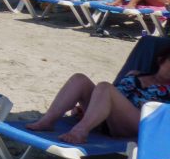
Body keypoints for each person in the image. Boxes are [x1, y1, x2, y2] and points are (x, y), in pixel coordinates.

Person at [25, 49, 170, 144]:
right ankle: (48, 121)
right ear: (161, 60)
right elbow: (114, 95)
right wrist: (89, 106)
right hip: (108, 118)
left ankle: (80, 131)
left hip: (140, 125)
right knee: (79, 79)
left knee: (105, 87)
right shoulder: (134, 74)